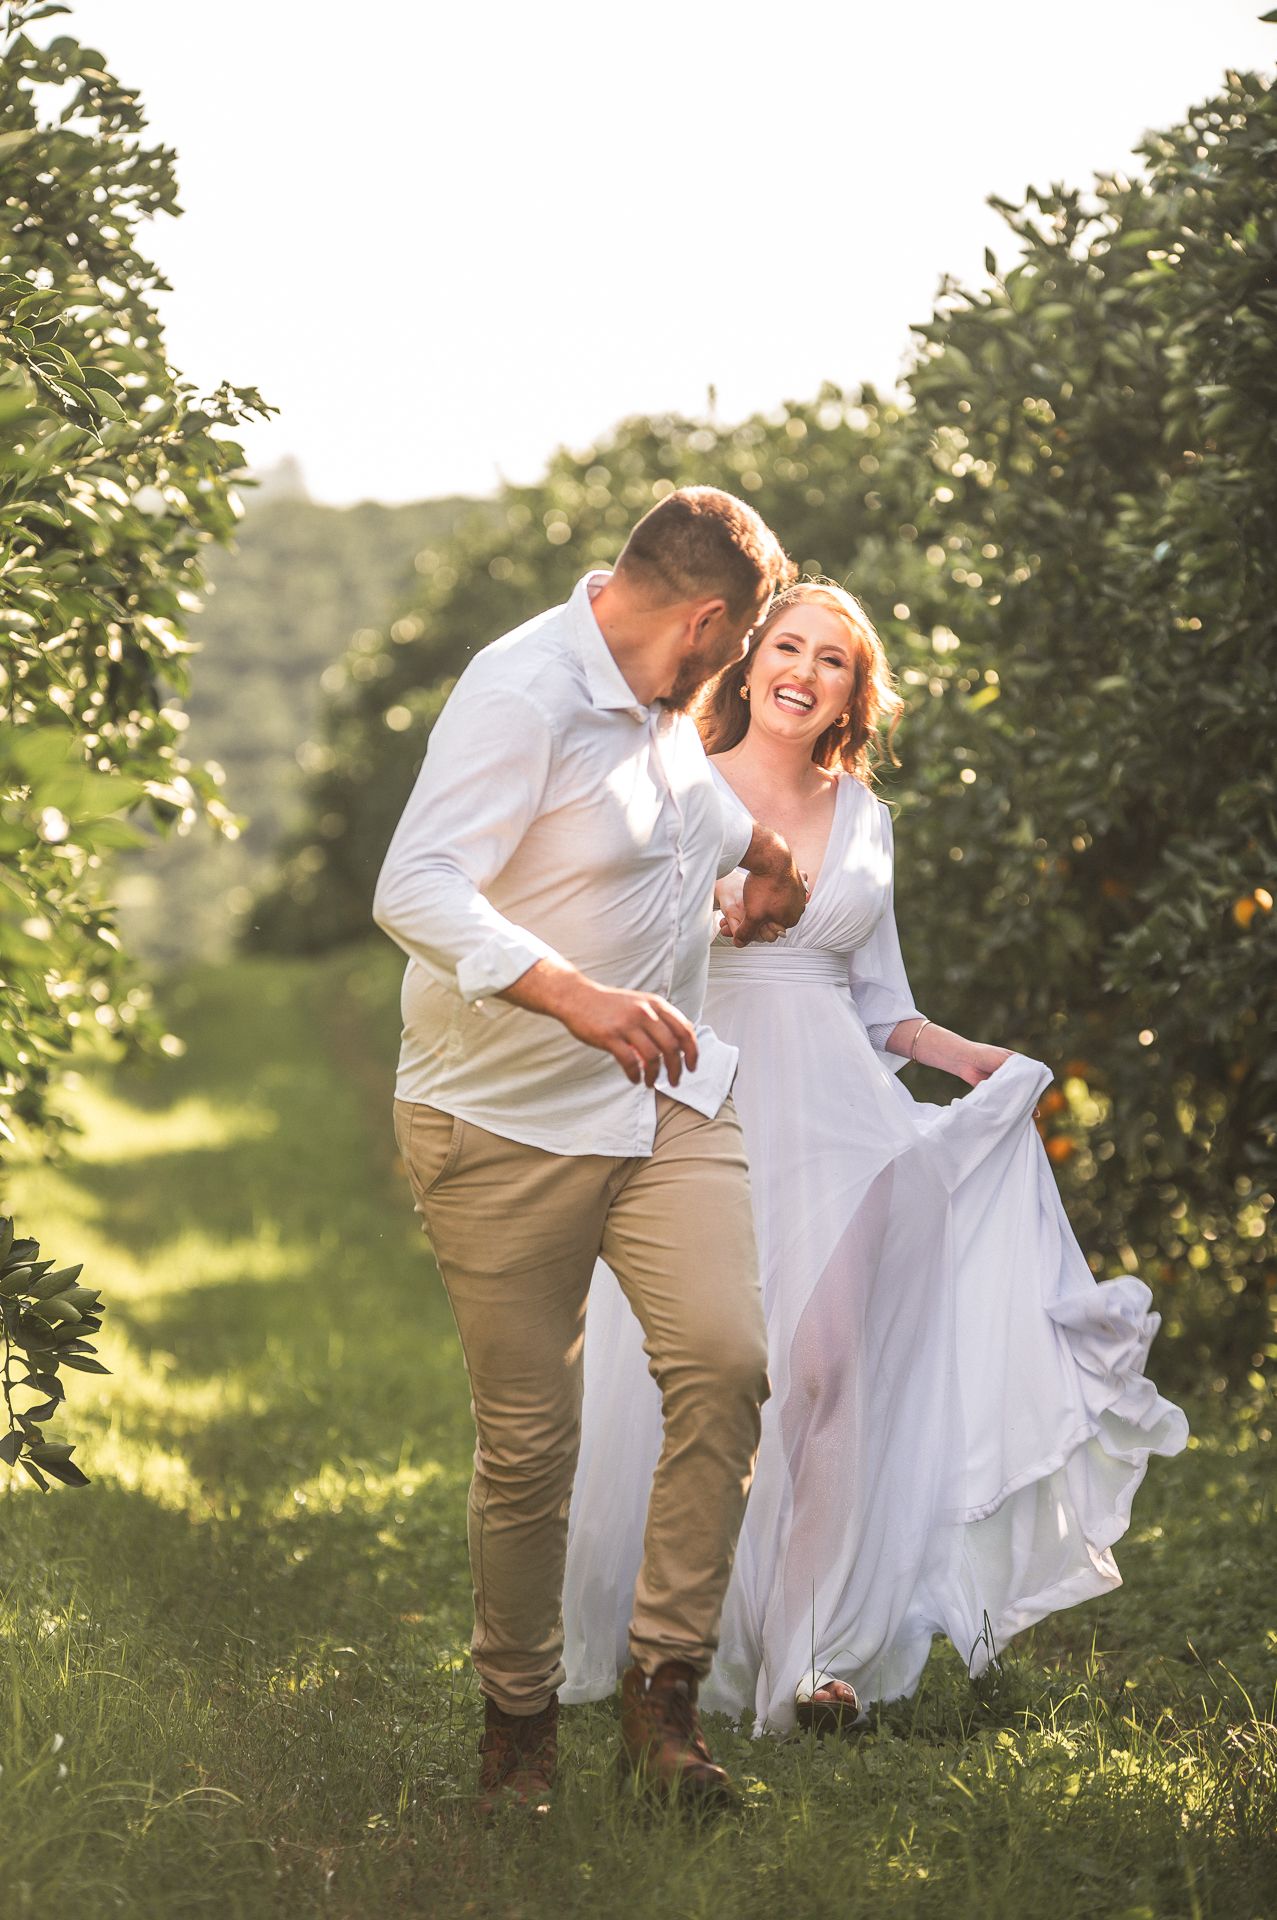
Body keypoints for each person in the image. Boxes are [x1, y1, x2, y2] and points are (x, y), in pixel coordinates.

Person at [562, 579, 1189, 1734]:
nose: (804, 670)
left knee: (829, 1372)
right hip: (703, 1102)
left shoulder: (863, 817)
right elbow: (619, 950)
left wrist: (966, 1060)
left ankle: (810, 1661)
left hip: (843, 1124)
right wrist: (714, 920)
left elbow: (878, 1003)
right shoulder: (673, 783)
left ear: (855, 689)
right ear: (747, 664)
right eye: (786, 647)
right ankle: (680, 1648)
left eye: (834, 659)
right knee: (720, 1378)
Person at [373, 488, 808, 1813]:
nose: (733, 673)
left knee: (726, 1364)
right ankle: (517, 1730)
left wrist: (772, 857)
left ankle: (661, 1704)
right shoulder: (522, 693)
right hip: (502, 1118)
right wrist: (578, 996)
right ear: (710, 619)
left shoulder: (668, 712)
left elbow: (689, 819)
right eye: (738, 650)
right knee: (529, 1445)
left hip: (668, 1101)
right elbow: (415, 887)